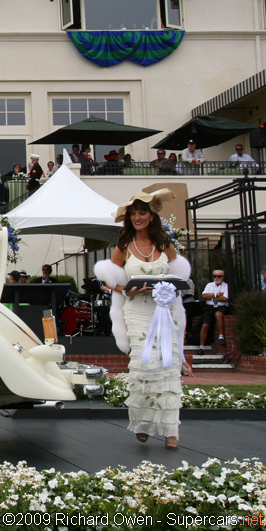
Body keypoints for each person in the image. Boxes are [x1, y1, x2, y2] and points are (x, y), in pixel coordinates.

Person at [93, 188, 192, 450]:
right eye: (134, 213)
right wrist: (127, 289)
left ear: (151, 216)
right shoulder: (123, 246)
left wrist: (168, 288)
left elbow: (179, 272)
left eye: (142, 212)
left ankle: (171, 431)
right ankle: (143, 424)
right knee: (144, 366)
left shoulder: (164, 244)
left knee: (167, 367)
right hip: (137, 311)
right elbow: (108, 281)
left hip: (163, 311)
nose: (138, 217)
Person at [199, 269, 230, 350]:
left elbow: (225, 298)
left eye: (219, 276)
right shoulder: (209, 285)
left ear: (223, 277)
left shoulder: (226, 286)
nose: (216, 277)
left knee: (218, 314)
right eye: (215, 276)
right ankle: (201, 347)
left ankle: (221, 336)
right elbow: (204, 296)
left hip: (221, 307)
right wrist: (217, 295)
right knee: (205, 324)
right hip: (209, 307)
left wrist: (211, 297)